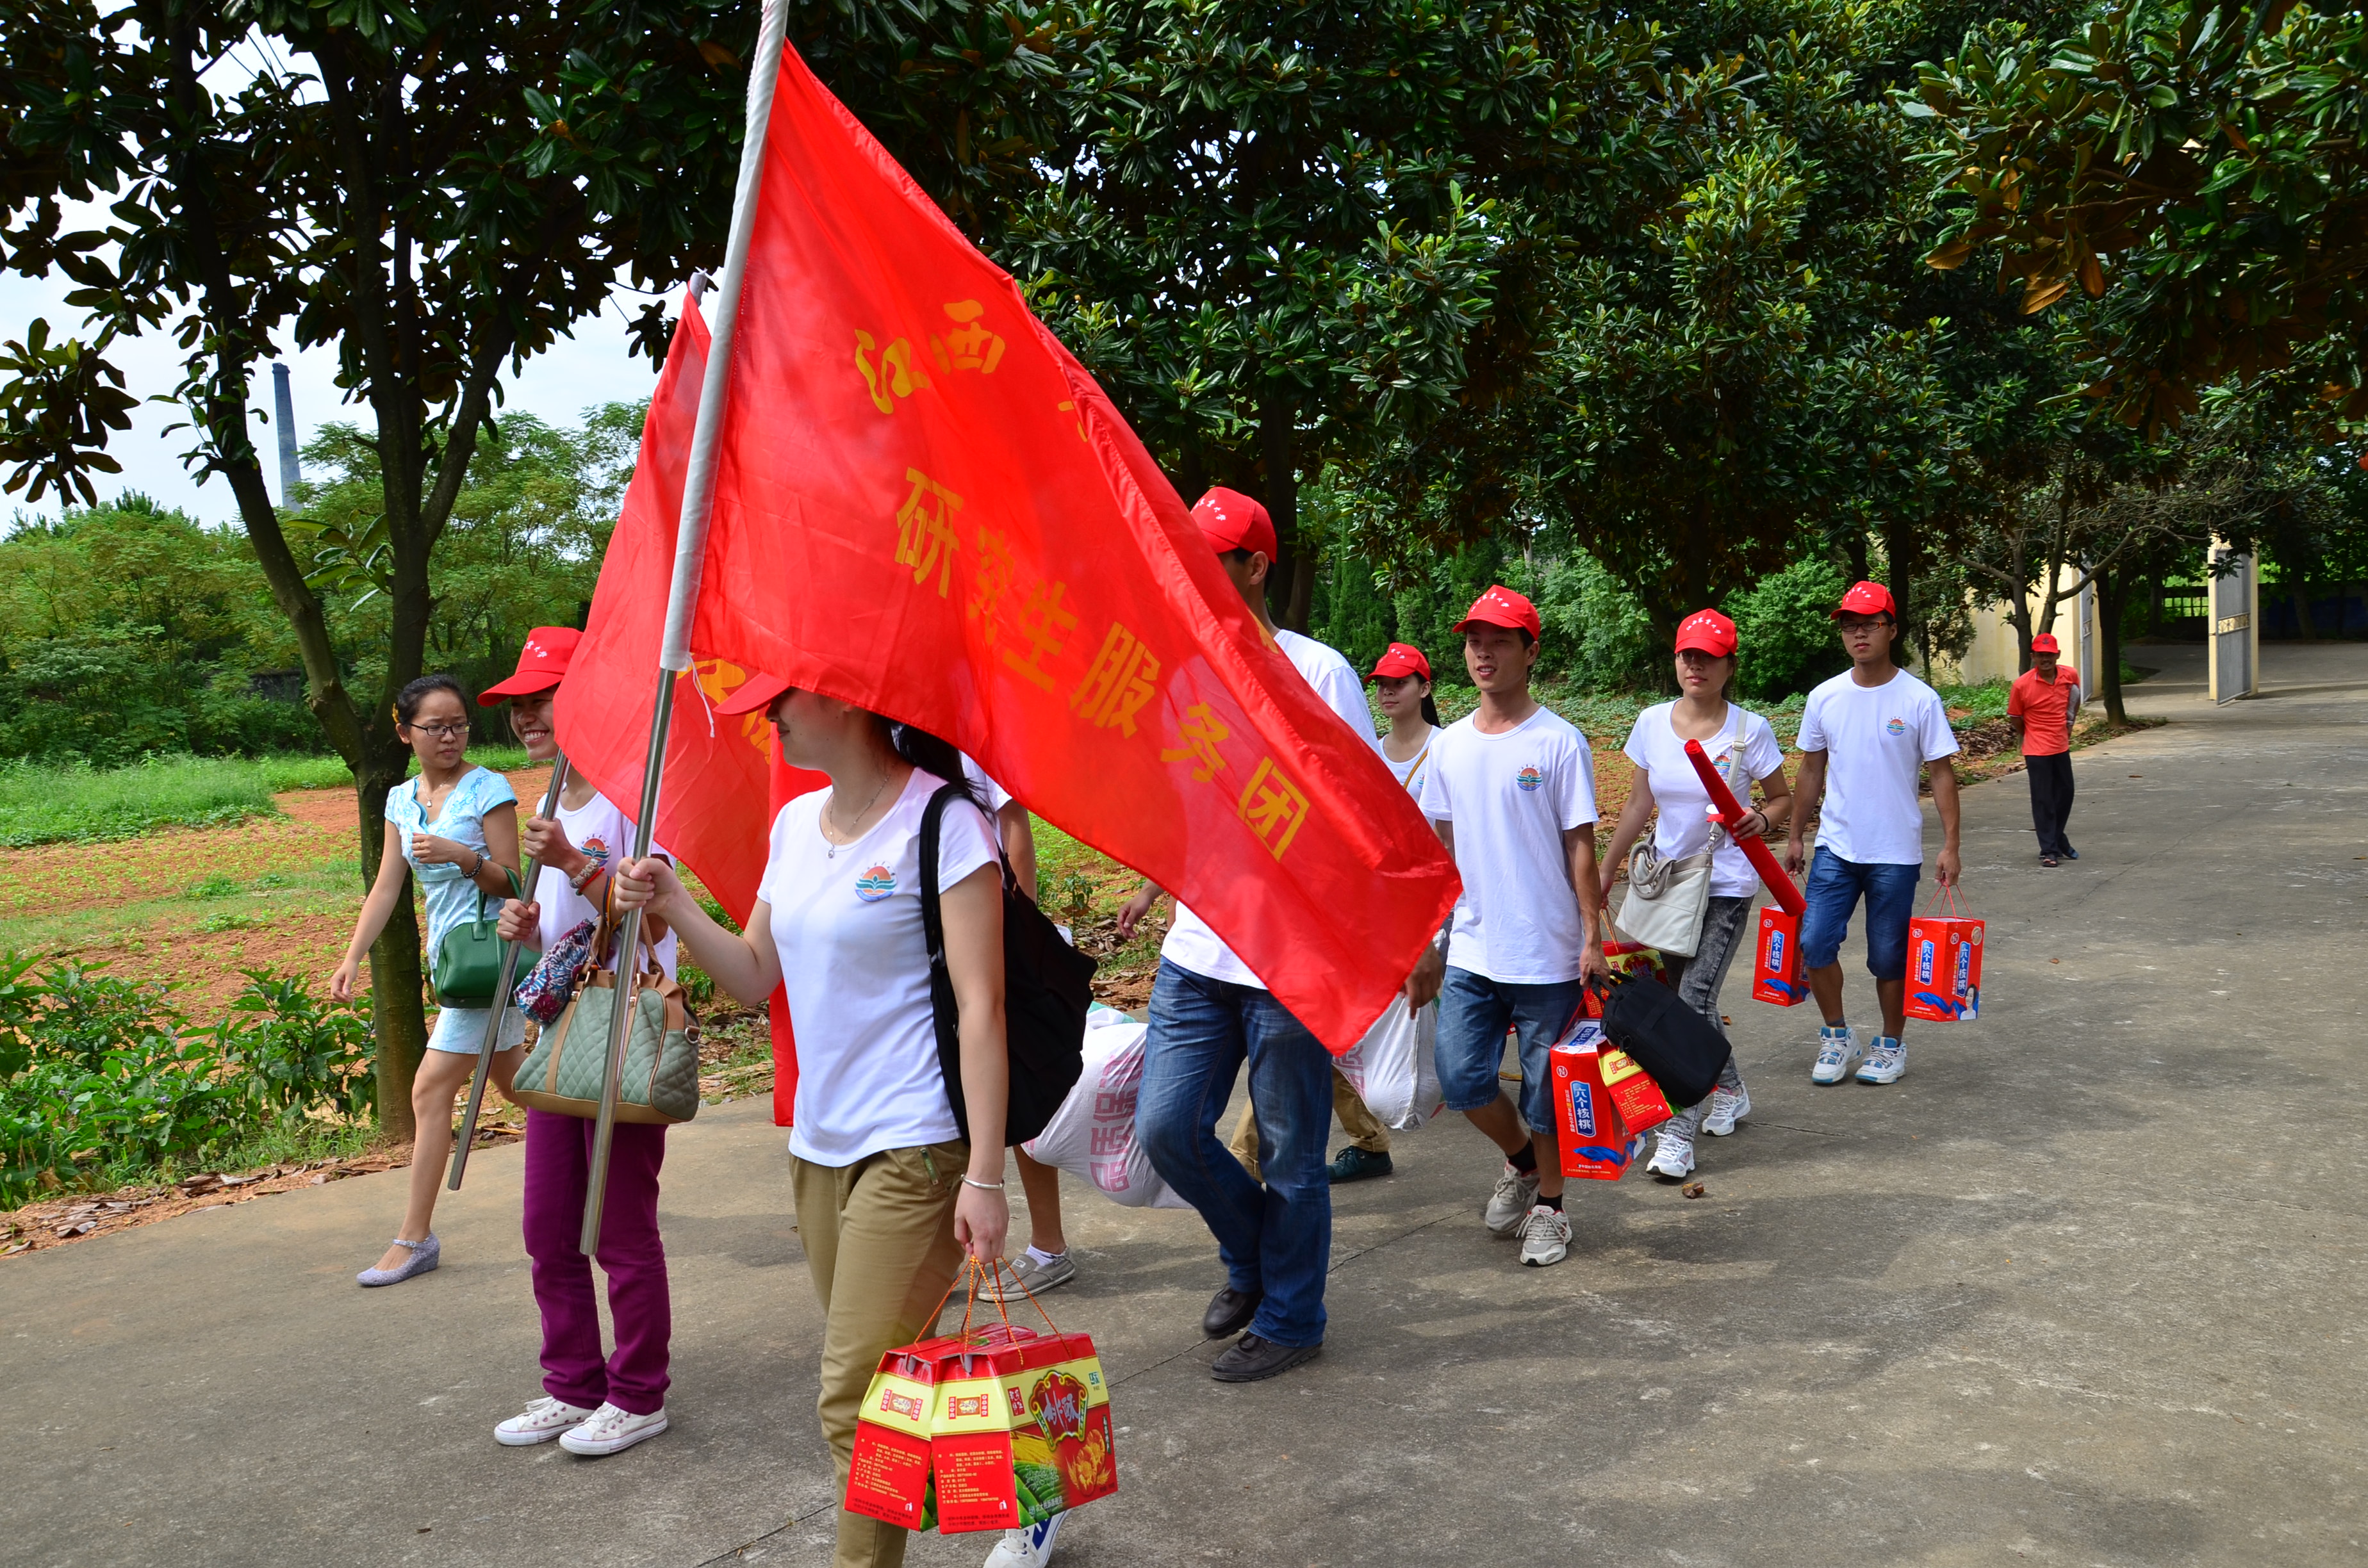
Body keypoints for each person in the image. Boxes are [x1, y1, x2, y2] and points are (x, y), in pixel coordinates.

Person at [610, 680, 1009, 1568]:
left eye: (785, 697)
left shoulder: (944, 825)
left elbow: (983, 1010)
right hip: (819, 1149)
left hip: (916, 1144)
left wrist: (987, 1175)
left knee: (855, 1397)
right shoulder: (794, 827)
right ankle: (1018, 1489)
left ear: (852, 698)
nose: (768, 714)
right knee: (899, 1385)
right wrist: (674, 903)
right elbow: (755, 976)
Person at [1117, 486, 1375, 1383]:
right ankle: (1254, 1259)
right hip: (1198, 948)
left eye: (1210, 560)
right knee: (1167, 1128)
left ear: (1255, 566)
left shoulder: (1321, 673)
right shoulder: (1184, 673)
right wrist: (1156, 886)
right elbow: (1188, 808)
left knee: (1294, 1154)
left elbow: (1364, 812)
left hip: (1288, 954)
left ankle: (1294, 1316)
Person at [479, 628, 679, 1457]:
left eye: (542, 696)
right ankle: (573, 1384)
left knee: (618, 1225)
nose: (528, 715)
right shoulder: (551, 807)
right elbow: (568, 941)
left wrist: (572, 862)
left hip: (626, 1034)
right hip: (560, 1036)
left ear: (587, 696)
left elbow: (656, 918)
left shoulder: (638, 796)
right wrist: (521, 927)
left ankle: (639, 1394)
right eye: (519, 703)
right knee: (547, 1225)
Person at [1407, 586, 1608, 1269]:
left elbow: (1579, 845)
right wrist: (1431, 940)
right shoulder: (1452, 745)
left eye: (1498, 641)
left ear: (1530, 651)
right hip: (1471, 945)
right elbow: (1441, 851)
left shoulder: (1558, 742)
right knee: (1461, 1078)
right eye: (1473, 641)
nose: (1483, 653)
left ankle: (1552, 1205)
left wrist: (1591, 935)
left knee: (1549, 1094)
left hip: (1547, 950)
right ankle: (1521, 1162)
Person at [1222, 640, 1440, 1185]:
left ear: (1425, 687)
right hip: (1341, 903)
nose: (1389, 691)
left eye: (1401, 681)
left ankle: (1246, 1156)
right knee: (1321, 1028)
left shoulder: (1446, 751)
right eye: (1382, 683)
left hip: (1397, 906)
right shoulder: (1365, 748)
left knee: (1314, 1026)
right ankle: (1366, 1140)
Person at [331, 674, 522, 1288]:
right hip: (453, 962)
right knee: (521, 1086)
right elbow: (388, 885)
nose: (449, 736)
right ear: (404, 731)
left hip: (496, 957)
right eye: (435, 726)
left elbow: (518, 884)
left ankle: (414, 1238)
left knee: (429, 1090)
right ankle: (606, 1147)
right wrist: (354, 956)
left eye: (459, 724)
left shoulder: (488, 788)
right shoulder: (399, 798)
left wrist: (464, 858)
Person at [1598, 610, 1793, 1180]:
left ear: (1729, 665)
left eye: (1708, 656)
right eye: (1688, 655)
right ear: (1676, 661)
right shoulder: (1653, 723)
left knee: (1692, 1001)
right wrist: (1607, 869)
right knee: (1682, 999)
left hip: (1726, 883)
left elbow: (1779, 799)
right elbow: (1639, 805)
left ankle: (1676, 1131)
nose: (1696, 665)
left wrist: (1762, 817)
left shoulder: (1747, 730)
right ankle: (1729, 1087)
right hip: (1666, 883)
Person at [1782, 581, 1964, 1086]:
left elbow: (1942, 773)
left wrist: (1950, 844)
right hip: (1836, 848)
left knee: (1888, 955)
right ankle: (1837, 1035)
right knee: (1815, 943)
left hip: (1895, 851)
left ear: (1892, 630)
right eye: (1849, 626)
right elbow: (1810, 771)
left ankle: (1890, 1045)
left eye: (1869, 624)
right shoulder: (1825, 697)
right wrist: (1796, 835)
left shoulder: (1919, 699)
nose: (1858, 634)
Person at [2009, 632, 2082, 866]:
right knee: (2043, 800)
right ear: (2033, 657)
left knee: (2066, 794)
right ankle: (2049, 850)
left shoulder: (2070, 675)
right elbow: (2016, 717)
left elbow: (2074, 699)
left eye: (2050, 655)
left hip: (2060, 745)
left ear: (2057, 655)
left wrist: (2069, 725)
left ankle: (2058, 837)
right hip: (2036, 749)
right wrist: (2030, 735)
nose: (2045, 659)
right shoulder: (2022, 685)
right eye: (2041, 655)